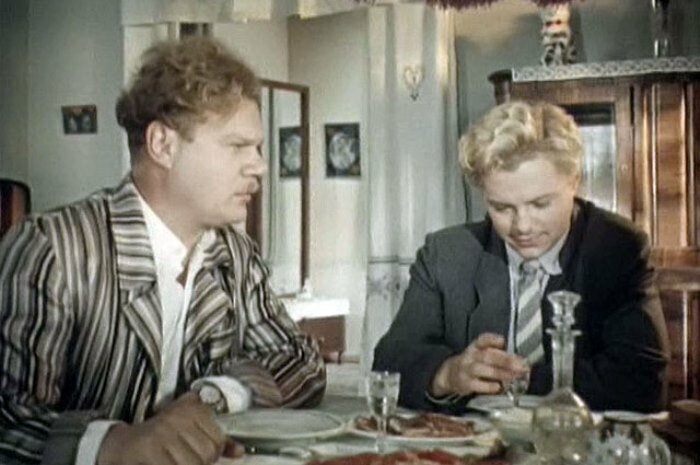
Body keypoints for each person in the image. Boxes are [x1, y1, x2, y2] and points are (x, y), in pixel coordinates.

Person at [0, 37, 325, 465]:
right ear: (162, 145)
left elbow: (302, 362)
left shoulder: (236, 255)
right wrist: (111, 445)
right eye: (237, 146)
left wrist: (222, 394)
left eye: (258, 148)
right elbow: (10, 418)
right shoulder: (54, 249)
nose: (260, 166)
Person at [373, 100, 669, 414]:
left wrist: (518, 379)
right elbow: (389, 362)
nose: (522, 227)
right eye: (501, 208)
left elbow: (642, 382)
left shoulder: (616, 248)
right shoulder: (446, 254)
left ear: (574, 181)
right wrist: (448, 374)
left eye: (540, 204)